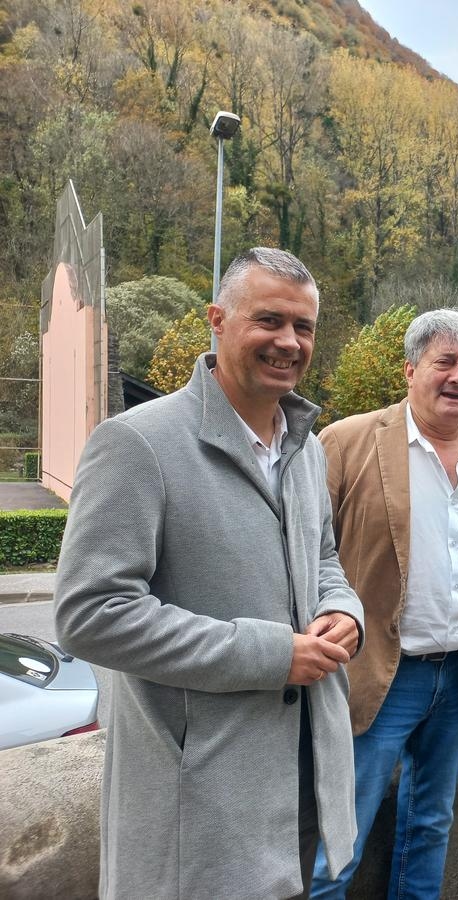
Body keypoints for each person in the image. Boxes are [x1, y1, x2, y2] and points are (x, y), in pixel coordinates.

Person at [54, 248, 365, 900]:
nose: (288, 341)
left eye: (303, 327)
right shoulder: (136, 443)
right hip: (196, 808)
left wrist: (345, 612)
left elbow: (326, 558)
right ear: (217, 321)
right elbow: (90, 614)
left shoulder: (305, 448)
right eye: (269, 320)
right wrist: (270, 653)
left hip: (297, 785)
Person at [309, 308, 458, 900]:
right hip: (377, 673)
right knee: (342, 836)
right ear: (410, 369)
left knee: (430, 827)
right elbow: (305, 554)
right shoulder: (347, 443)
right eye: (445, 362)